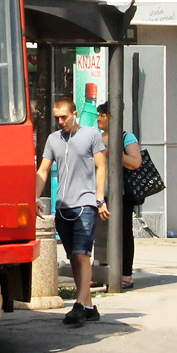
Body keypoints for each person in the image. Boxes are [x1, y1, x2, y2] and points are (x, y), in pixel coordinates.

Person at [35, 95, 108, 327]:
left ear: (74, 114)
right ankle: (87, 306)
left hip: (86, 202)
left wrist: (99, 198)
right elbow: (43, 170)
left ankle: (78, 305)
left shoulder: (91, 135)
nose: (61, 122)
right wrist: (34, 197)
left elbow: (101, 166)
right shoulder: (53, 139)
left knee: (81, 254)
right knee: (74, 258)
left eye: (64, 117)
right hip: (63, 205)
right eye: (57, 118)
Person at [98, 101, 143, 289]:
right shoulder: (98, 137)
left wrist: (113, 153)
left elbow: (135, 162)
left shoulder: (126, 137)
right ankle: (100, 271)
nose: (99, 118)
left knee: (123, 232)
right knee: (100, 234)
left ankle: (126, 273)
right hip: (101, 193)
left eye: (102, 115)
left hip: (123, 195)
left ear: (112, 116)